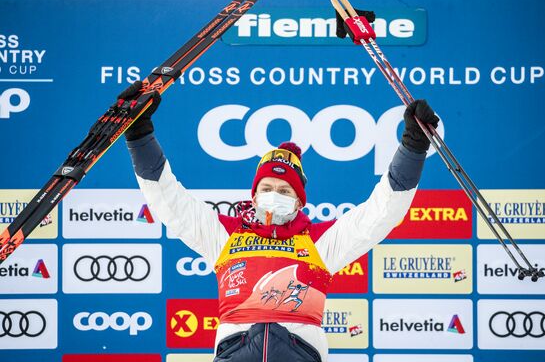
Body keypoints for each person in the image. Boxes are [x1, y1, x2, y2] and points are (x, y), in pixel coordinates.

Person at [121, 81, 439, 362]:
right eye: (267, 188)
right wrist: (139, 134)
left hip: (299, 349)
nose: (275, 194)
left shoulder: (320, 240)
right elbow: (167, 198)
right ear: (255, 195)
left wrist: (413, 146)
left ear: (300, 200)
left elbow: (382, 211)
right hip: (235, 350)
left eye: (284, 190)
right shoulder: (224, 234)